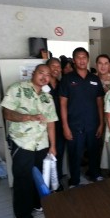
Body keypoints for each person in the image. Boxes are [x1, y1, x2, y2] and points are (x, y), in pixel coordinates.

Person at [1, 64, 58, 218]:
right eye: (41, 73)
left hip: (42, 144)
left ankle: (36, 204)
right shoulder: (17, 88)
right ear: (33, 73)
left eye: (48, 75)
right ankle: (23, 216)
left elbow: (51, 123)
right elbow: (7, 113)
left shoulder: (48, 97)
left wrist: (53, 146)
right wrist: (29, 117)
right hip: (22, 143)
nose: (44, 77)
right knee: (22, 179)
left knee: (38, 177)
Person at [60, 47, 105, 187]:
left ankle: (95, 174)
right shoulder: (67, 79)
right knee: (75, 154)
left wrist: (101, 123)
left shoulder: (95, 79)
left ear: (87, 59)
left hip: (93, 123)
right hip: (74, 125)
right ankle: (74, 180)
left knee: (94, 151)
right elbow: (62, 104)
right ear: (74, 60)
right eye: (78, 57)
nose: (81, 60)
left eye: (84, 57)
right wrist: (65, 127)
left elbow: (99, 102)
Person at [46, 58, 66, 188]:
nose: (56, 69)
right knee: (45, 157)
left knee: (58, 154)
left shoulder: (62, 84)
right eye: (53, 66)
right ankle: (45, 185)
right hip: (44, 128)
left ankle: (56, 182)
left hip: (59, 126)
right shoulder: (42, 85)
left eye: (58, 67)